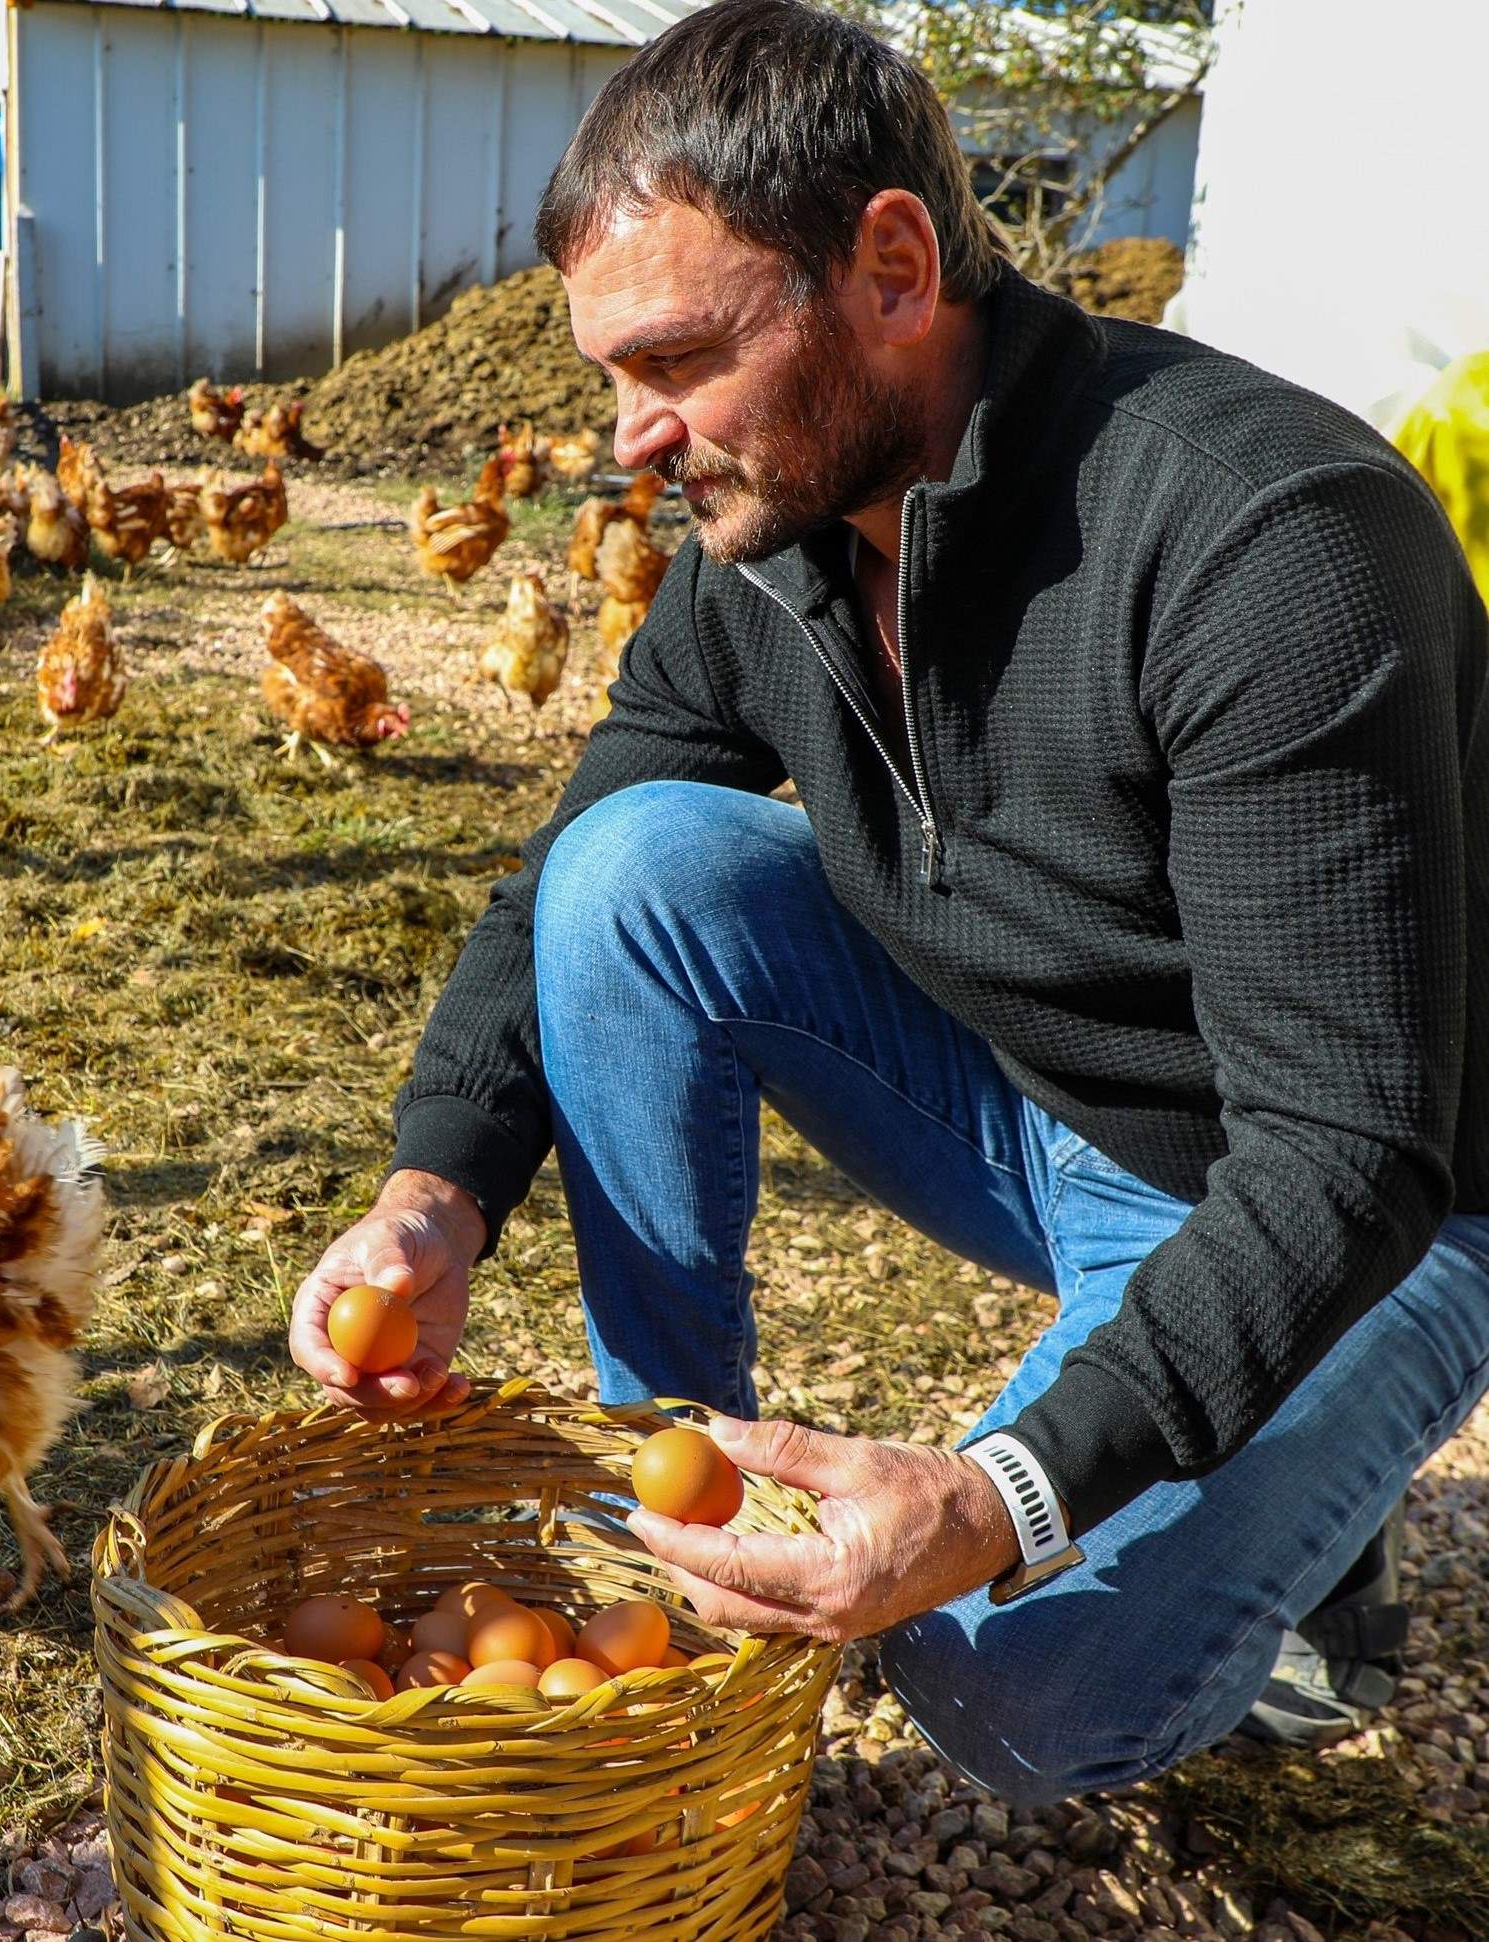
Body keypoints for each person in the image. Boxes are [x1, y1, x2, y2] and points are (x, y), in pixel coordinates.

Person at [288, 0, 1489, 1807]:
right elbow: (570, 869)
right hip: (1041, 1108)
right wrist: (432, 1195)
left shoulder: (1266, 544)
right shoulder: (766, 541)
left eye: (678, 358)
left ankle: (1295, 1501)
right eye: (610, 374)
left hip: (1370, 1195)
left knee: (1009, 1691)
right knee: (634, 870)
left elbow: (1346, 1145)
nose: (631, 437)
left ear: (894, 266)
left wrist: (999, 1496)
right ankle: (679, 1508)